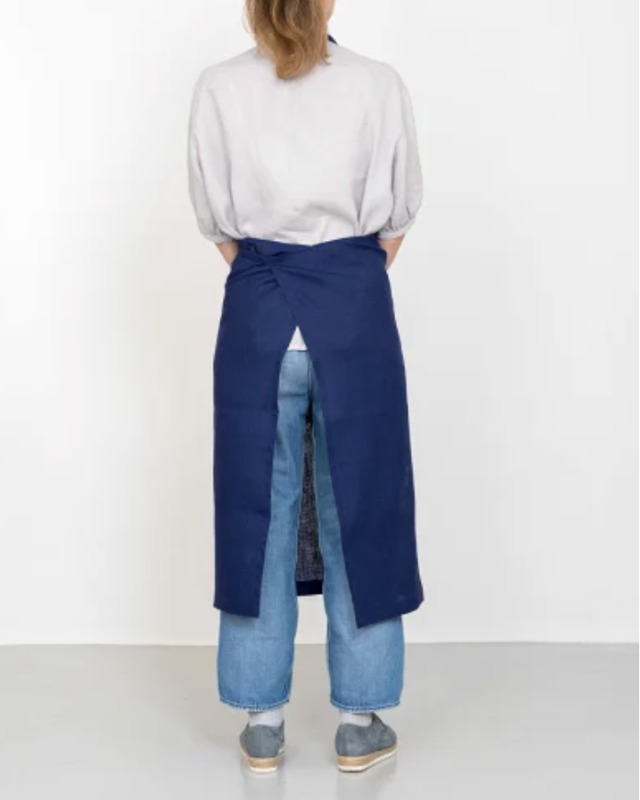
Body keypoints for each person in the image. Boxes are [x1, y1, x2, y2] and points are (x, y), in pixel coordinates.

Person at [188, 0, 424, 774]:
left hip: (259, 315)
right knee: (363, 505)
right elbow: (397, 217)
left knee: (257, 508)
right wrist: (337, 288)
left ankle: (262, 721)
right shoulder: (377, 83)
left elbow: (218, 223)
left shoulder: (219, 87)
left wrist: (280, 285)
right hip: (354, 311)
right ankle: (359, 722)